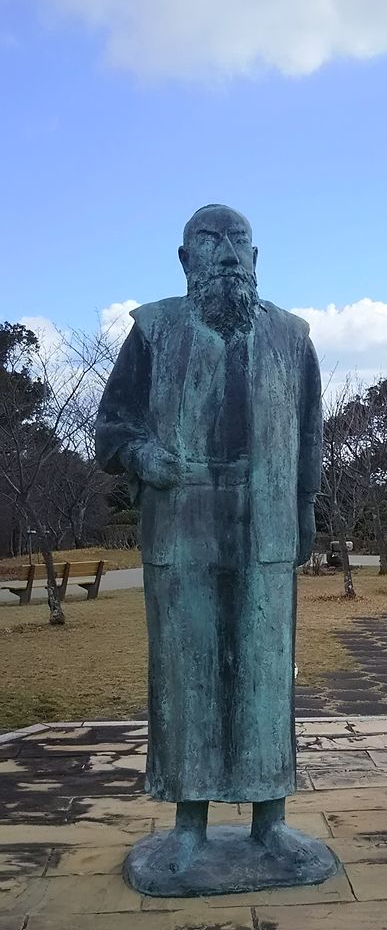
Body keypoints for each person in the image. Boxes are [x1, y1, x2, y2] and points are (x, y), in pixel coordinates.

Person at [95, 204, 335, 894]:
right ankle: (188, 825)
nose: (227, 253)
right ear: (185, 259)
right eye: (210, 240)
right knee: (185, 675)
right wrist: (144, 455)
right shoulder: (153, 329)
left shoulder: (292, 335)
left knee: (265, 674)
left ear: (255, 259)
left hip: (267, 525)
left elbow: (310, 431)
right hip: (182, 526)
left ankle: (270, 820)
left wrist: (305, 506)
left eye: (239, 242)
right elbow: (111, 427)